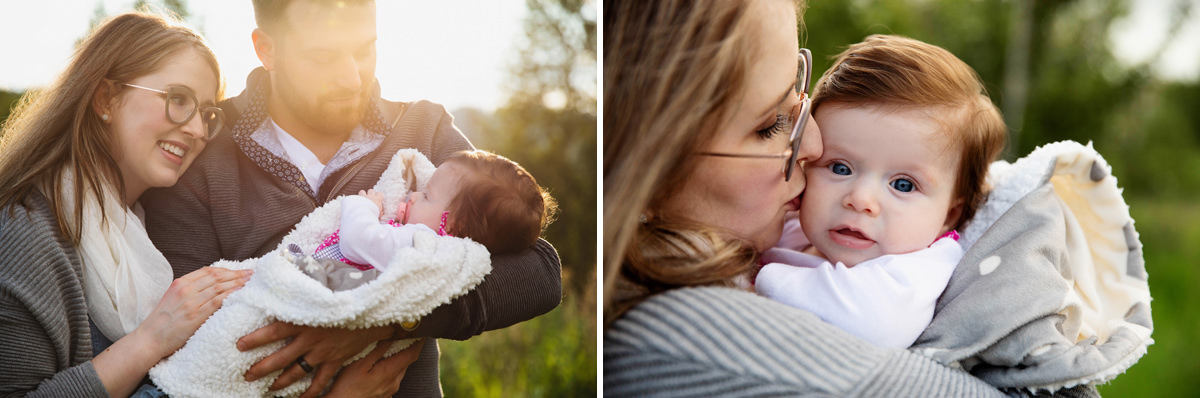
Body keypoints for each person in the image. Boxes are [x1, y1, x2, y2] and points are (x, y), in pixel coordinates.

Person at [603, 1, 1098, 396]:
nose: (814, 147)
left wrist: (766, 276)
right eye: (769, 124)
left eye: (799, 88)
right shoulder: (679, 340)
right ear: (644, 161)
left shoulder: (916, 268)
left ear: (953, 210)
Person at [139, 1, 562, 396]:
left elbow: (538, 272)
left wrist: (377, 319)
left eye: (365, 50)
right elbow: (193, 345)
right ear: (267, 50)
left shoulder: (422, 130)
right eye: (323, 58)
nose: (352, 78)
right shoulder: (203, 148)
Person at [0, 12, 251, 397]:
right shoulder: (23, 233)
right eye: (177, 99)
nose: (199, 130)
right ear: (106, 99)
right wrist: (152, 338)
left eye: (206, 113)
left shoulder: (149, 223)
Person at [754, 34, 1007, 349]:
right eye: (840, 168)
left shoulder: (920, 269)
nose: (860, 200)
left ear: (949, 215)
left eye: (903, 185)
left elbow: (869, 324)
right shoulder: (793, 229)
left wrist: (749, 278)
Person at [306, 149, 556, 290]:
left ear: (452, 226)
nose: (412, 196)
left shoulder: (420, 245)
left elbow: (358, 239)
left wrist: (365, 206)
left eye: (426, 195)